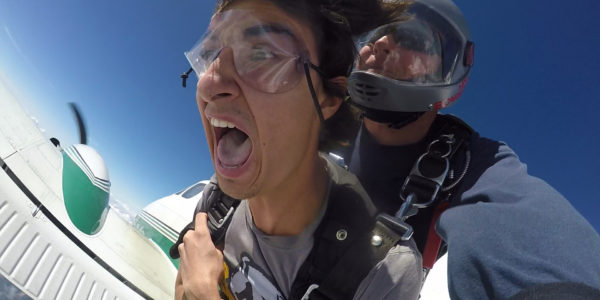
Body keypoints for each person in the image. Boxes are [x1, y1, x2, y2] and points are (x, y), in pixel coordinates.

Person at [345, 0, 600, 299]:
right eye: (372, 36)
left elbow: (526, 224)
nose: (380, 44)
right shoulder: (315, 122)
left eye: (411, 38)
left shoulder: (475, 165)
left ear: (449, 70)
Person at [174, 0, 424, 299]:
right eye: (211, 53)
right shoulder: (219, 202)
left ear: (328, 98)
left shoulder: (383, 272)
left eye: (262, 53)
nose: (209, 83)